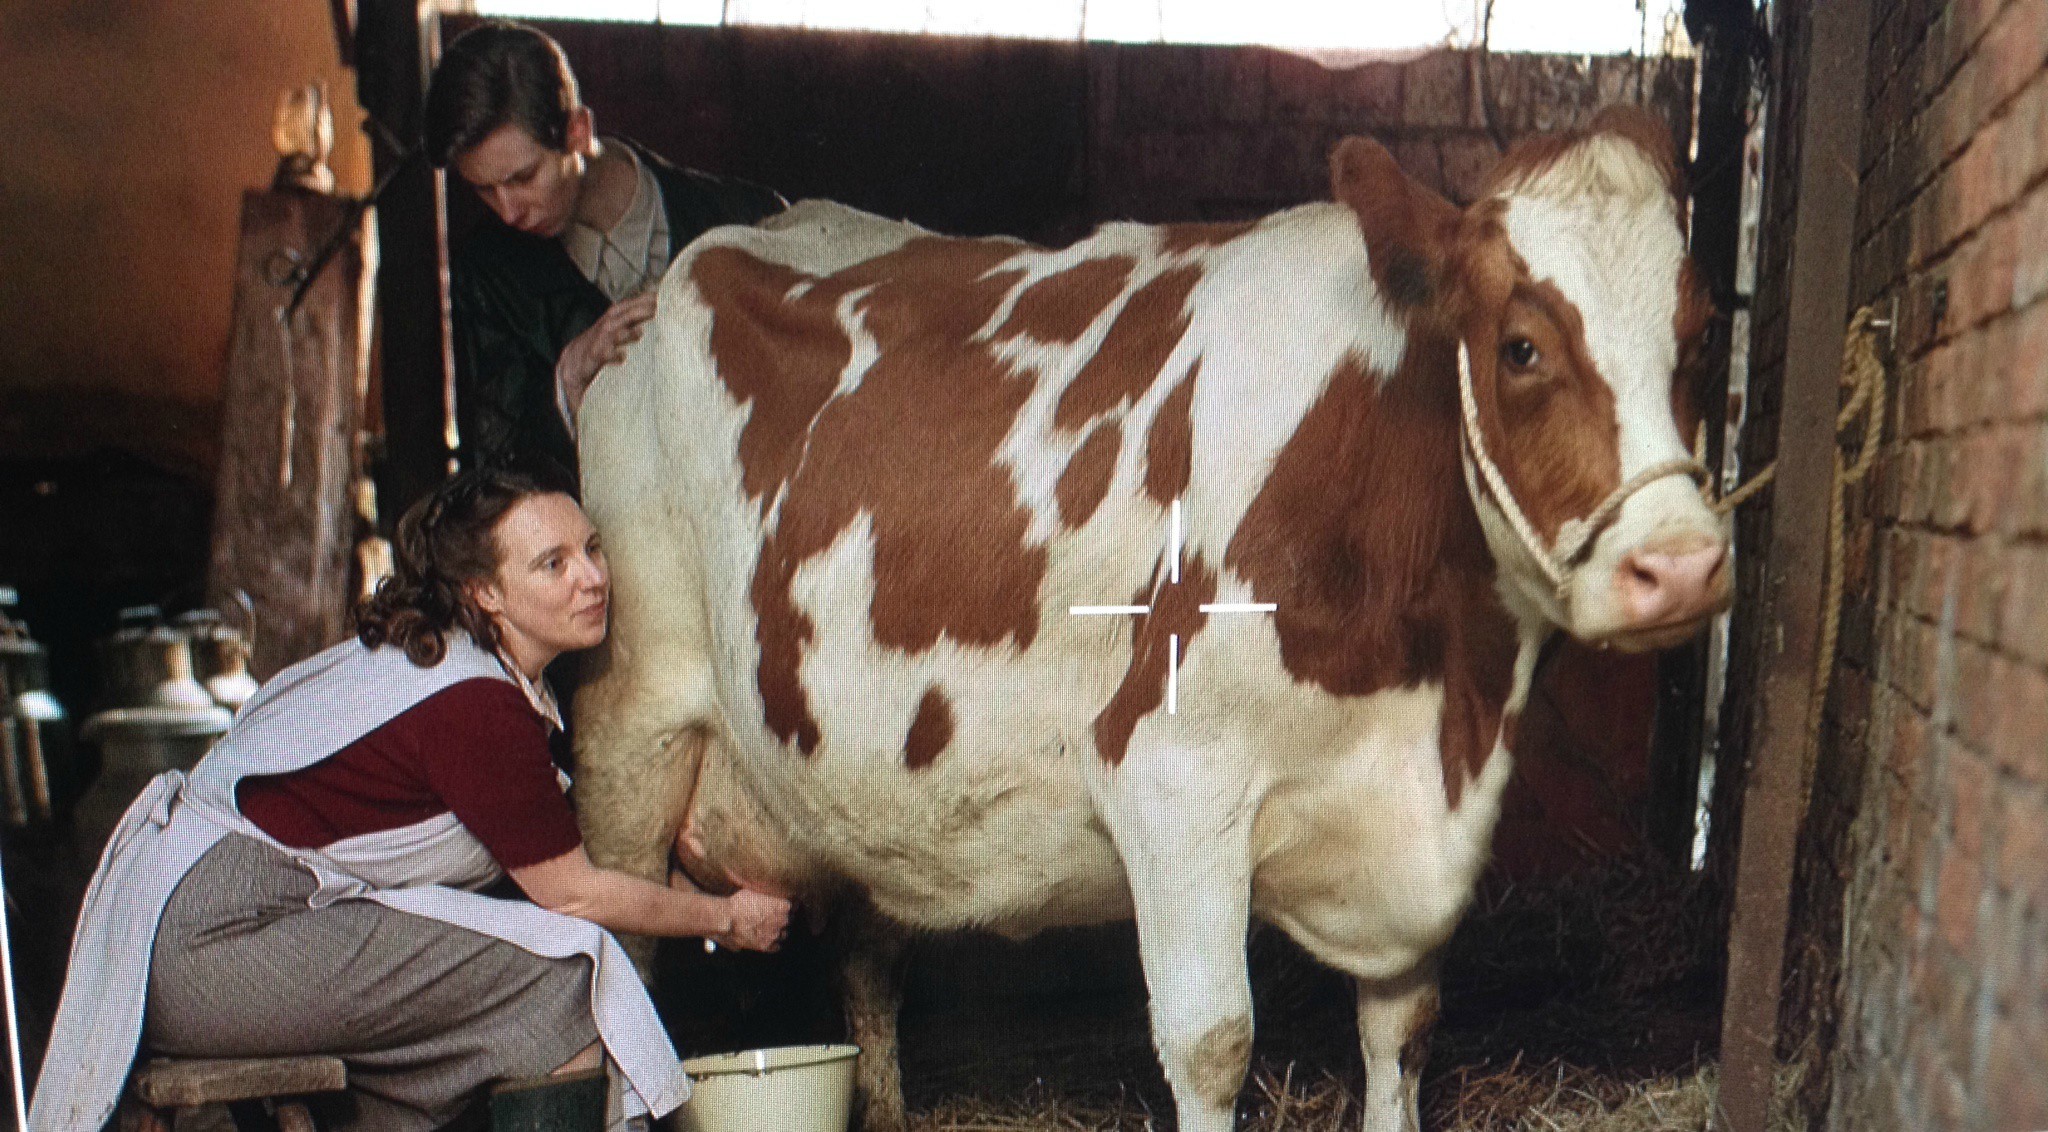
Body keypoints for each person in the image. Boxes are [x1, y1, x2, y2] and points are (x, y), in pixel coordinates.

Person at [30, 469, 793, 1132]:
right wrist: (725, 918)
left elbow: (531, 861)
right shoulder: (475, 705)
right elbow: (570, 895)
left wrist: (676, 881)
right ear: (485, 593)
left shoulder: (459, 663)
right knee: (557, 979)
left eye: (592, 549)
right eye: (552, 564)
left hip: (201, 929)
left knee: (518, 964)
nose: (591, 578)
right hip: (216, 941)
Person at [425, 21, 786, 479]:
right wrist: (566, 385)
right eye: (484, 191)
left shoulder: (748, 217)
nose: (508, 212)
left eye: (522, 178)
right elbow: (495, 477)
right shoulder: (486, 277)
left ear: (578, 131)